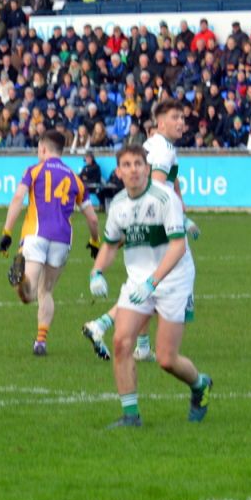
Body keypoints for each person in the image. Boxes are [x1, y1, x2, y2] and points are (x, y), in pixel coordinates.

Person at [87, 145, 211, 428]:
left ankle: (200, 384)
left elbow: (178, 246)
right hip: (138, 280)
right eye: (127, 165)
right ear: (118, 172)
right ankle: (131, 415)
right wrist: (96, 272)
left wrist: (153, 282)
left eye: (138, 164)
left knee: (166, 359)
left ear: (146, 168)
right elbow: (109, 245)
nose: (133, 170)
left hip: (174, 279)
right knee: (121, 342)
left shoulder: (165, 197)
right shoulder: (117, 204)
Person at [83, 99, 197, 362]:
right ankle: (102, 325)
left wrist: (182, 212)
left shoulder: (156, 146)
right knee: (156, 285)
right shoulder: (163, 151)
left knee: (144, 284)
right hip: (157, 229)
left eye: (183, 117)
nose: (182, 122)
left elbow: (169, 182)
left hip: (145, 222)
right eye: (176, 117)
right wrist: (173, 218)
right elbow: (156, 188)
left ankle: (141, 345)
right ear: (160, 122)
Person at [0, 129, 101, 356]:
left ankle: (24, 284)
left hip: (37, 233)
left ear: (43, 149)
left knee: (31, 289)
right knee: (47, 291)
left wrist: (7, 231)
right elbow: (92, 218)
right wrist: (95, 241)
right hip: (62, 239)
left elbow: (17, 199)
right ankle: (41, 341)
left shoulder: (34, 171)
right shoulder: (75, 178)